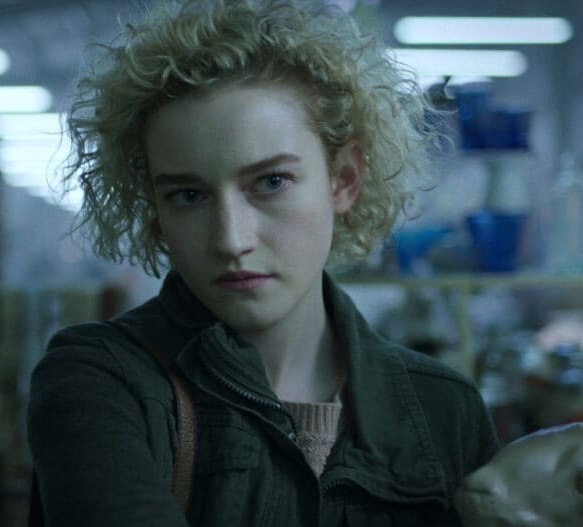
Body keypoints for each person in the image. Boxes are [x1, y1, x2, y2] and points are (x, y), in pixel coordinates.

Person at [27, 0, 500, 525]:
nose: (231, 239)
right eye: (188, 195)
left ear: (344, 178)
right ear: (154, 208)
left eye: (271, 182)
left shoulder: (444, 409)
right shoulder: (101, 382)